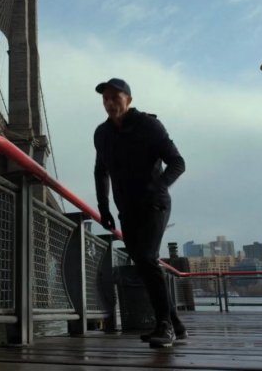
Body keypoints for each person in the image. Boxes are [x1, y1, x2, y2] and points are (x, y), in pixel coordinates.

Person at [93, 77, 187, 348]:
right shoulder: (102, 133)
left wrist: (156, 187)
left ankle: (164, 326)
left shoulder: (149, 125)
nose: (110, 103)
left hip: (154, 204)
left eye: (115, 97)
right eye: (105, 99)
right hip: (126, 209)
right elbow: (101, 171)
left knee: (146, 258)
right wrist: (103, 206)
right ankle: (177, 324)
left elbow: (177, 162)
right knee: (145, 267)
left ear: (129, 100)